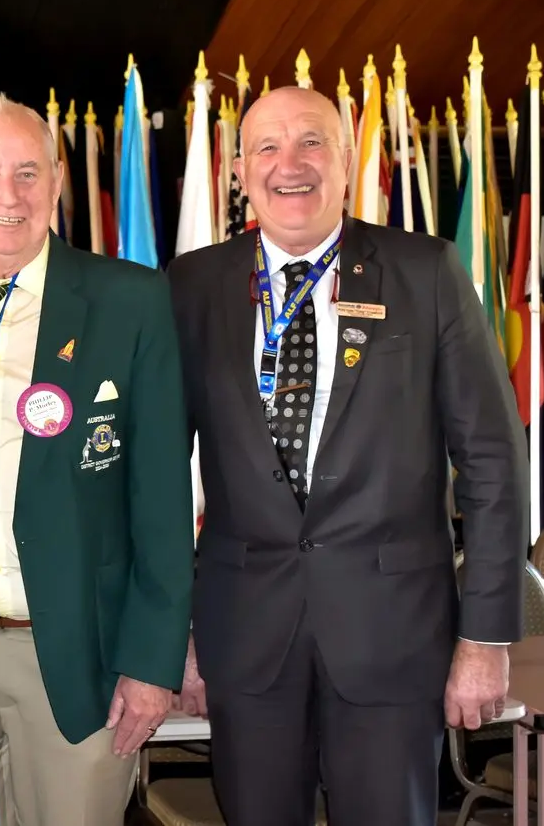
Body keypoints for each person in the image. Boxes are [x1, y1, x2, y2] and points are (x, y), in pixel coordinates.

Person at [168, 86, 526, 826]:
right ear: (238, 169)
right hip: (244, 638)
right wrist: (173, 635)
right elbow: (156, 478)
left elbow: (491, 460)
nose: (287, 164)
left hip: (394, 635)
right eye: (266, 146)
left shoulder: (425, 270)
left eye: (310, 142)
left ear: (345, 159)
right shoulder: (190, 286)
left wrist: (485, 637)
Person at [0, 95, 193, 826]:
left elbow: (160, 496)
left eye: (28, 173)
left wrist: (153, 664)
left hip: (74, 661)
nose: (8, 195)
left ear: (57, 183)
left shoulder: (130, 299)